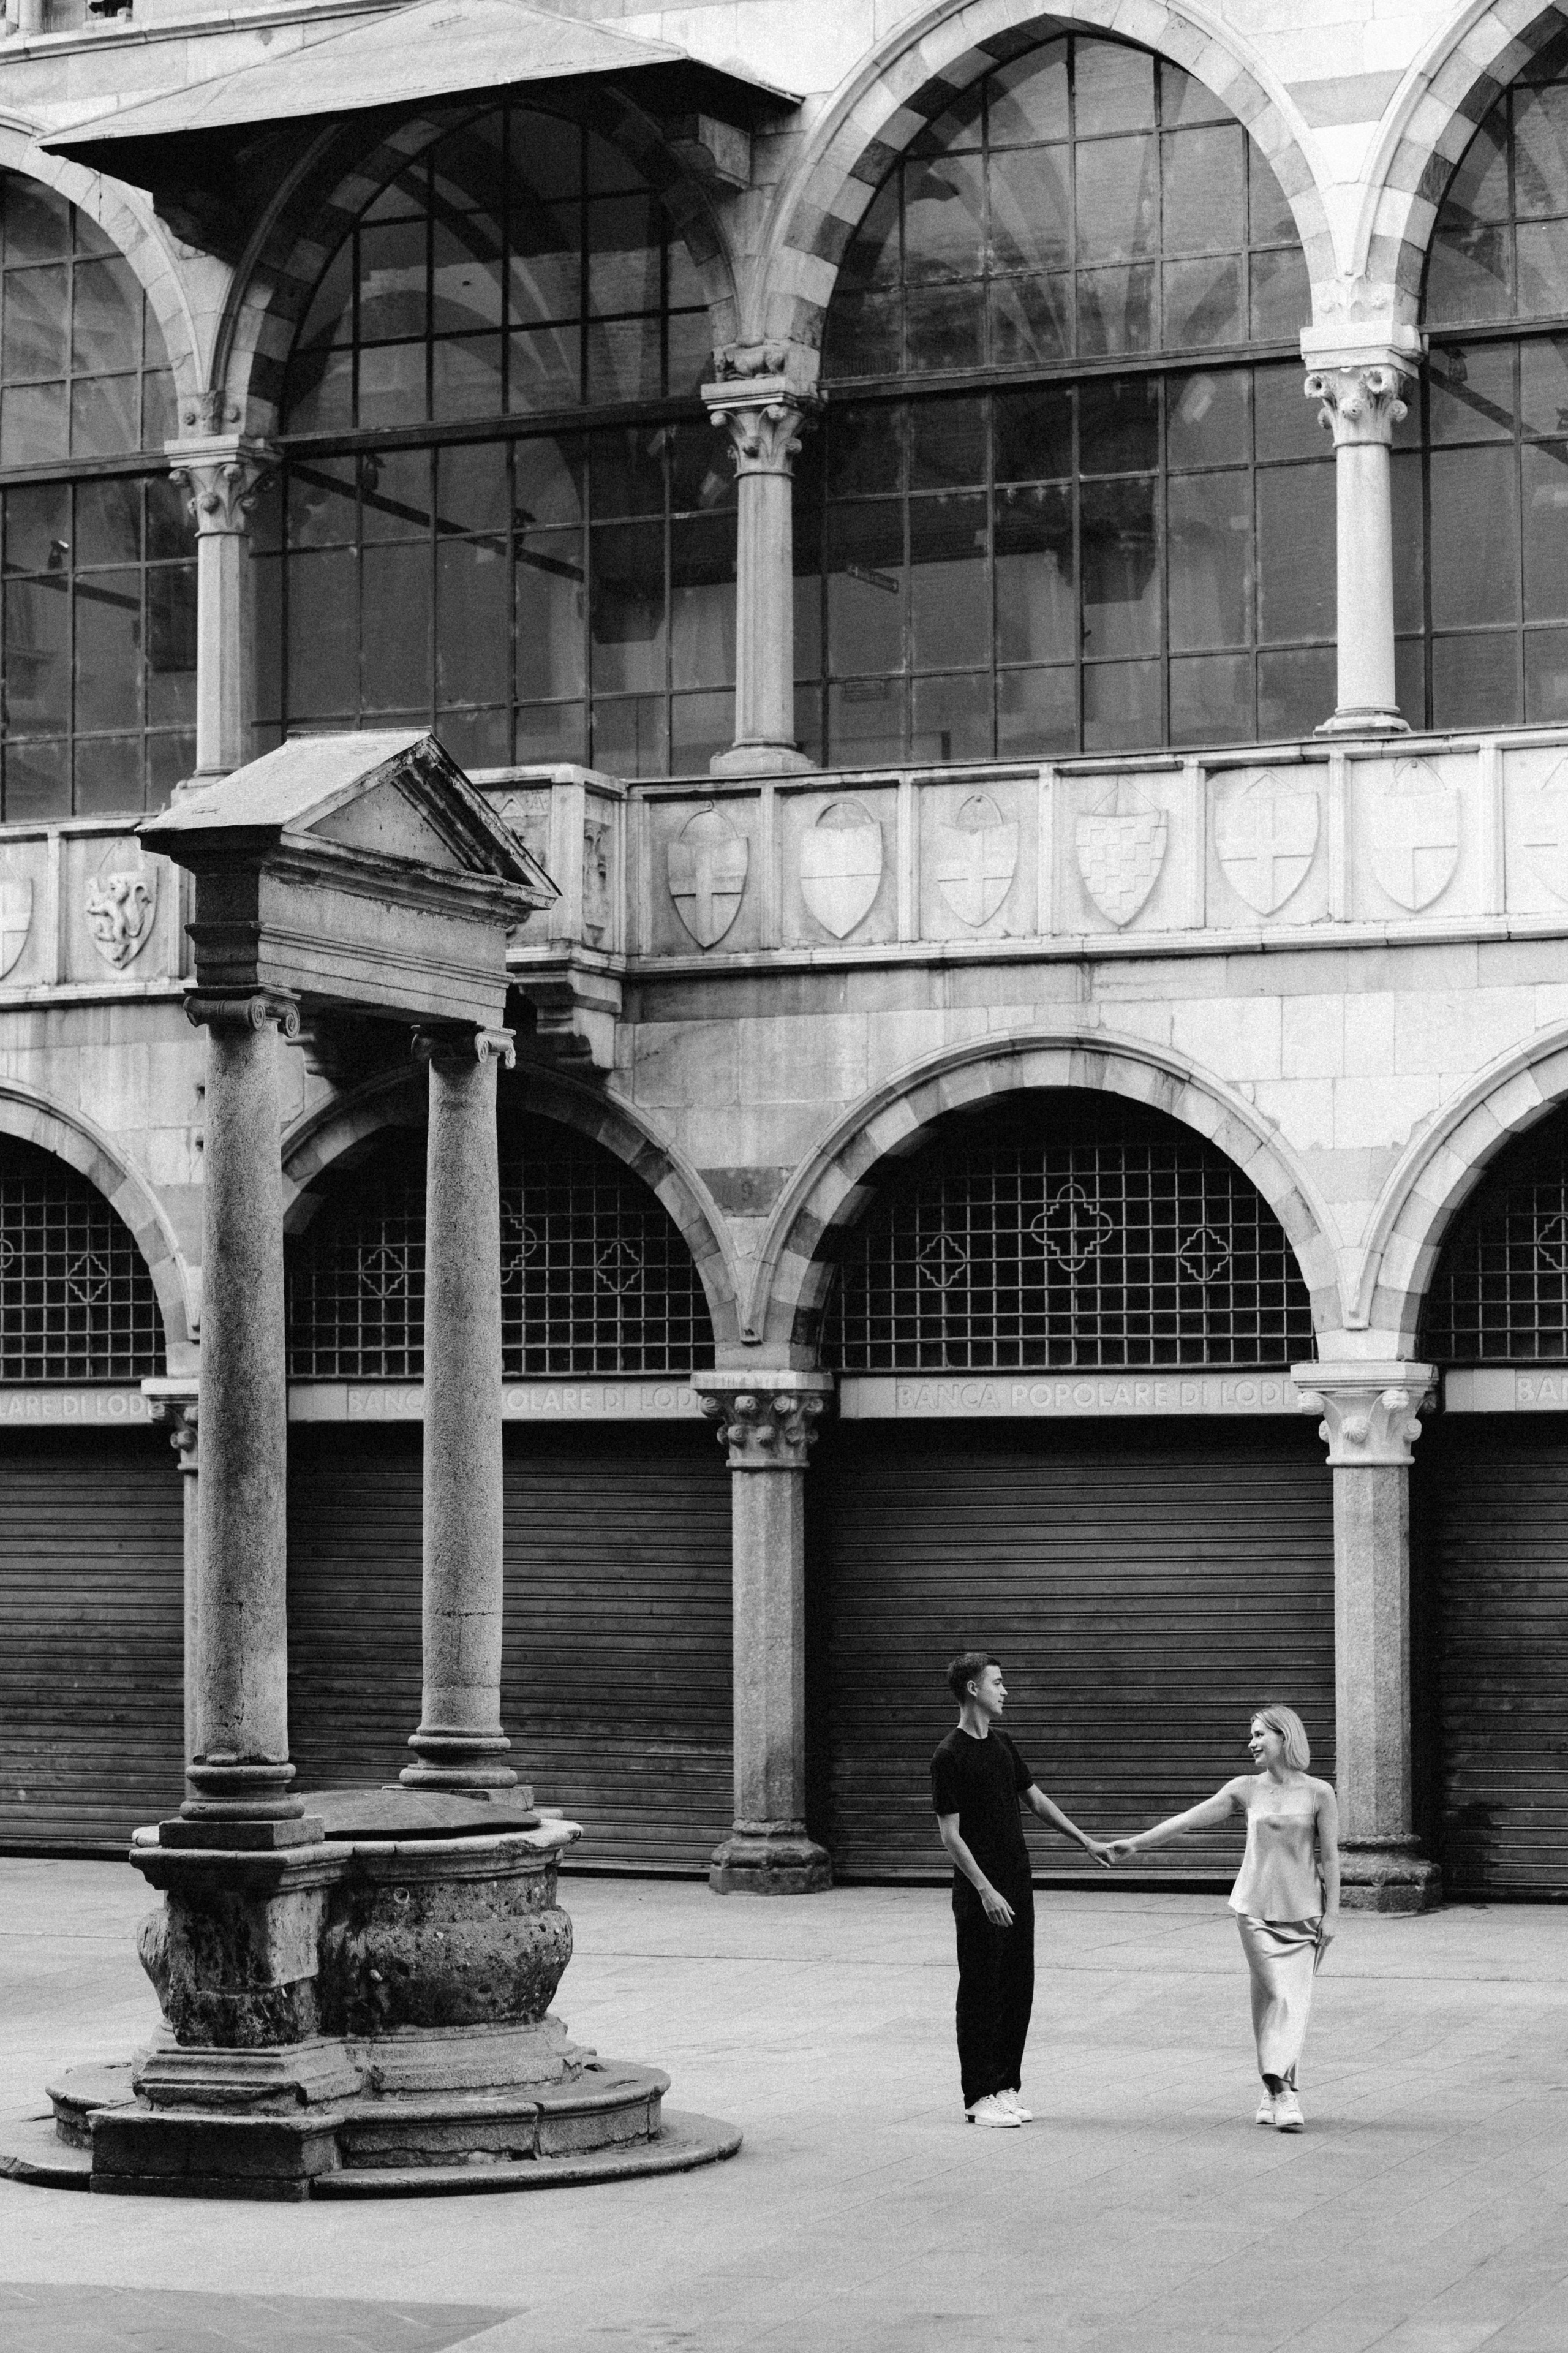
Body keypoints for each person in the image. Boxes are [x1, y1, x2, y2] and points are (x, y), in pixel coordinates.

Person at [1106, 1702, 1340, 2131]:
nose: (1251, 1742)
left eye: (1259, 1734)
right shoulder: (1245, 1788)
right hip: (1254, 1909)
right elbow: (1187, 1819)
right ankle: (1284, 2091)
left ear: (1284, 1737)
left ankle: (1275, 2091)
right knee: (1281, 1994)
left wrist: (1334, 1914)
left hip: (1305, 1912)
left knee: (1284, 2001)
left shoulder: (1319, 1792)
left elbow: (1330, 1856)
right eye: (1251, 1735)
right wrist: (1137, 1843)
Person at [933, 1651, 1111, 2129]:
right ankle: (978, 2094)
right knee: (980, 1989)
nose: (1005, 1690)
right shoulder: (948, 1755)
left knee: (1016, 1984)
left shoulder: (1004, 1745)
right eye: (998, 1682)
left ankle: (1005, 2085)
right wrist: (986, 1891)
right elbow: (951, 1834)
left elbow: (1036, 1801)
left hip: (1017, 1880)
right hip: (981, 1890)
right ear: (973, 1689)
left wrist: (1086, 1841)